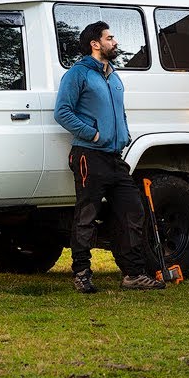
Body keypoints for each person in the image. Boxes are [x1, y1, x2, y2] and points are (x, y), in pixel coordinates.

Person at [54, 21, 164, 293]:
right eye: (110, 38)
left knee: (132, 211)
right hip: (88, 156)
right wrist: (92, 135)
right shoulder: (77, 75)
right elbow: (62, 112)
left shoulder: (113, 76)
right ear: (95, 44)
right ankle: (81, 273)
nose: (115, 42)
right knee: (86, 215)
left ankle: (133, 274)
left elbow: (120, 112)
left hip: (115, 157)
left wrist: (123, 134)